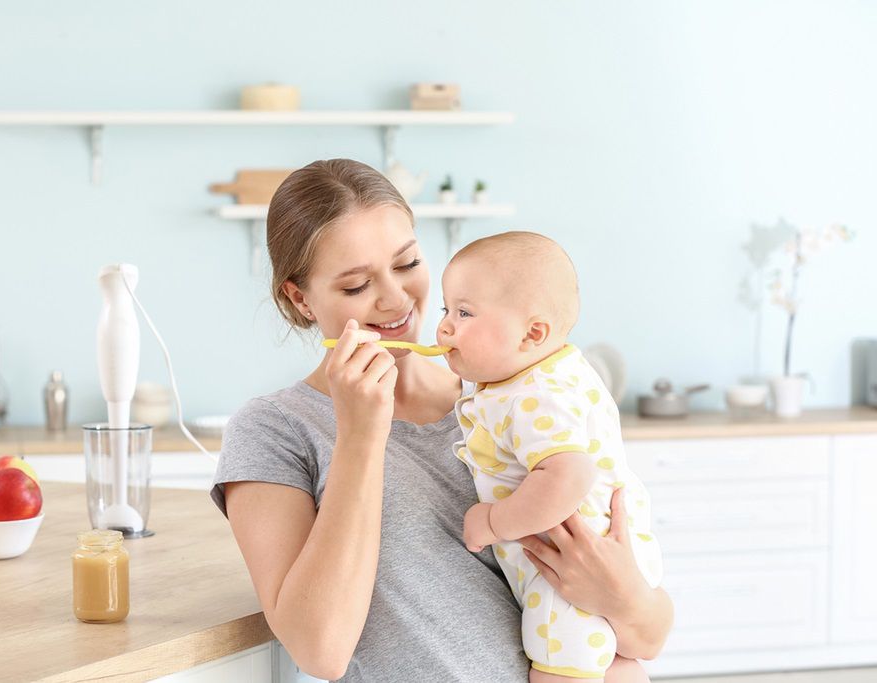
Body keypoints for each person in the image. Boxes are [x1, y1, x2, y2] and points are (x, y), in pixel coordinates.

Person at [210, 159, 673, 682]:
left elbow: (648, 637)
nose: (396, 299)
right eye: (357, 284)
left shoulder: (511, 396)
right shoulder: (275, 430)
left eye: (407, 264)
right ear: (301, 298)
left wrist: (622, 595)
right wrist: (361, 435)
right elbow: (321, 650)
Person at [438, 232, 662, 682]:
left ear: (532, 333)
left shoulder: (535, 396)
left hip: (568, 572)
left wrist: (493, 521)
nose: (444, 327)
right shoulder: (547, 370)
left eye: (464, 313)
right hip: (604, 562)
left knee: (556, 671)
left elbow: (569, 474)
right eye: (446, 311)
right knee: (618, 667)